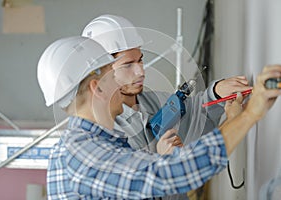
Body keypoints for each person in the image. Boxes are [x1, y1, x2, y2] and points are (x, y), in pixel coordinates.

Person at [37, 36, 281, 199]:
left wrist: (221, 101)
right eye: (113, 76)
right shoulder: (83, 155)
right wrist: (250, 114)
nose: (121, 83)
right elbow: (170, 174)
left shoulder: (101, 146)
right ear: (97, 88)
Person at [81, 14, 252, 199]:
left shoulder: (151, 101)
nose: (140, 71)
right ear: (102, 73)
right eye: (128, 65)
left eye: (140, 60)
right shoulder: (102, 137)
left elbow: (196, 114)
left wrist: (216, 93)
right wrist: (162, 164)